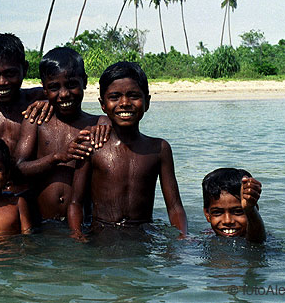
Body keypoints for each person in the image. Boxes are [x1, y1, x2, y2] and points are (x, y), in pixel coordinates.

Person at [68, 61, 188, 237]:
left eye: (133, 95)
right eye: (115, 97)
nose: (124, 103)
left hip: (142, 234)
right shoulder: (92, 146)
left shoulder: (159, 149)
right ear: (102, 104)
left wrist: (183, 237)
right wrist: (77, 235)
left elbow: (175, 207)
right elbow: (75, 202)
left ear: (147, 102)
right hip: (101, 234)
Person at [14, 47, 109, 222]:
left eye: (72, 84)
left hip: (84, 222)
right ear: (44, 89)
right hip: (41, 223)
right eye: (54, 87)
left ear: (85, 82)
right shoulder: (36, 121)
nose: (64, 94)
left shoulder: (100, 124)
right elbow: (18, 169)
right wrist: (58, 157)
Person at [0, 33, 53, 155]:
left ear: (25, 69)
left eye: (10, 73)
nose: (2, 82)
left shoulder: (39, 98)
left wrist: (51, 104)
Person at [202, 168, 265, 243]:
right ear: (207, 214)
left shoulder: (261, 237)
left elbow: (257, 241)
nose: (228, 221)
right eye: (217, 212)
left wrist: (250, 209)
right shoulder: (205, 237)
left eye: (238, 211)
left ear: (254, 211)